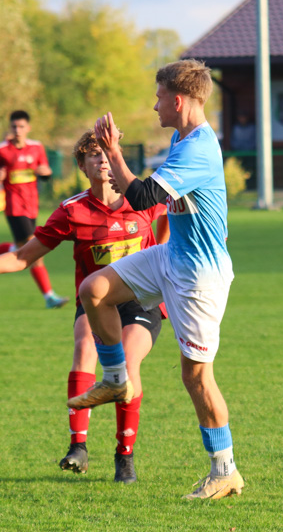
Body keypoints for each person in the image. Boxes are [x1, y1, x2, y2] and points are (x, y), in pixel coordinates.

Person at [0, 131, 168, 484]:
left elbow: (173, 225)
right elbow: (20, 258)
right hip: (96, 303)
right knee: (83, 348)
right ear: (81, 165)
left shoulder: (143, 199)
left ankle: (125, 457)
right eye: (93, 154)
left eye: (107, 152)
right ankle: (78, 447)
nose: (102, 159)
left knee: (129, 367)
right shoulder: (73, 211)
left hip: (141, 302)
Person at [67, 59, 244, 500]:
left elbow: (145, 197)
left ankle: (225, 470)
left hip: (198, 276)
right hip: (172, 255)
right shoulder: (183, 137)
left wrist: (113, 153)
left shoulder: (198, 147)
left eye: (160, 96)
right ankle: (115, 377)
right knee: (95, 290)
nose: (154, 104)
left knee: (197, 376)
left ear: (178, 100)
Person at [0, 110, 68, 309]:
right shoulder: (1, 150)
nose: (17, 130)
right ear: (10, 128)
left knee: (22, 248)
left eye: (21, 126)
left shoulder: (37, 147)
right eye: (14, 127)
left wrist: (46, 173)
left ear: (28, 128)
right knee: (35, 250)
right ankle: (49, 296)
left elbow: (46, 172)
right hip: (13, 206)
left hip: (32, 205)